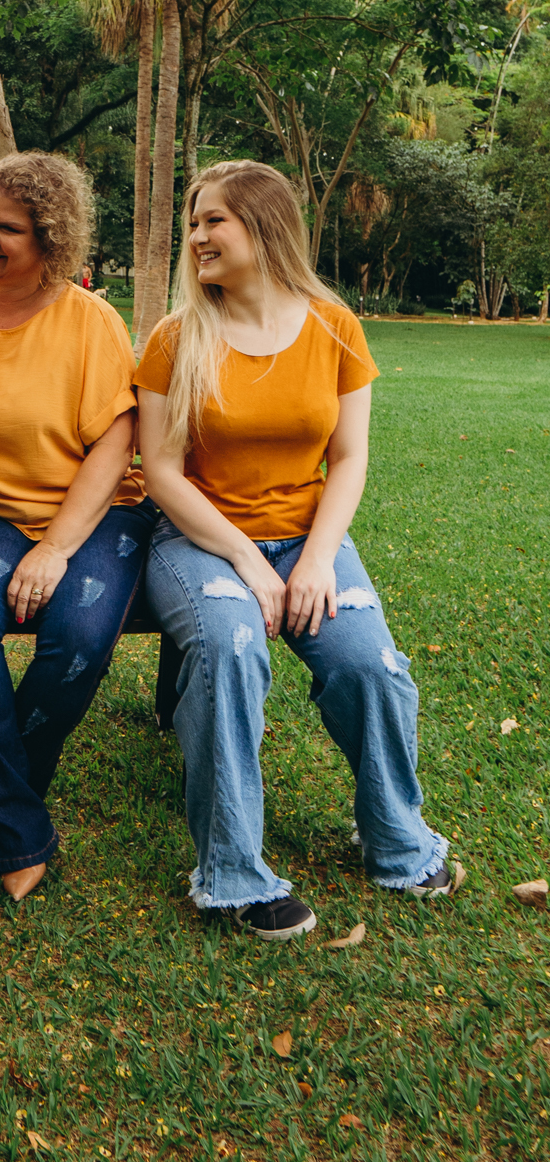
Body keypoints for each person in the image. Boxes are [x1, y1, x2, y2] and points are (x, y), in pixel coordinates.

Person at [137, 160, 456, 941]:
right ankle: (233, 874)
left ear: (265, 227)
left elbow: (347, 459)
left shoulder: (332, 324)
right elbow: (163, 474)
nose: (198, 234)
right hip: (202, 541)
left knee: (368, 664)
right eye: (195, 220)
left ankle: (396, 837)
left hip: (308, 538)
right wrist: (248, 562)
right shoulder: (176, 338)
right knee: (234, 645)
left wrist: (315, 560)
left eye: (215, 219)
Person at [0, 152, 156, 902]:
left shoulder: (88, 321)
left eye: (9, 229)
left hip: (93, 515)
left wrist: (55, 548)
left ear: (50, 241)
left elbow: (115, 444)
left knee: (81, 639)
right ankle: (16, 824)